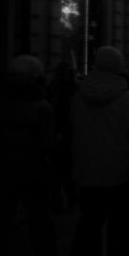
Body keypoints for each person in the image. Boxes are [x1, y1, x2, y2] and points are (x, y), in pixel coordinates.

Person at [69, 46, 129, 256]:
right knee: (118, 220)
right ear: (118, 66)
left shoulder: (80, 95)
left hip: (86, 168)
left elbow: (71, 126)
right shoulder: (125, 97)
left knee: (89, 217)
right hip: (117, 169)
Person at [0, 55, 58, 256]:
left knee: (2, 217)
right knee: (39, 220)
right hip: (33, 169)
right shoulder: (42, 108)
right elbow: (47, 143)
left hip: (4, 169)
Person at [47, 60, 78, 213]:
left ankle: (62, 199)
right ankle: (66, 199)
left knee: (61, 170)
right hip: (63, 133)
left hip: (64, 133)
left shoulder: (61, 87)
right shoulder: (68, 87)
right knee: (64, 170)